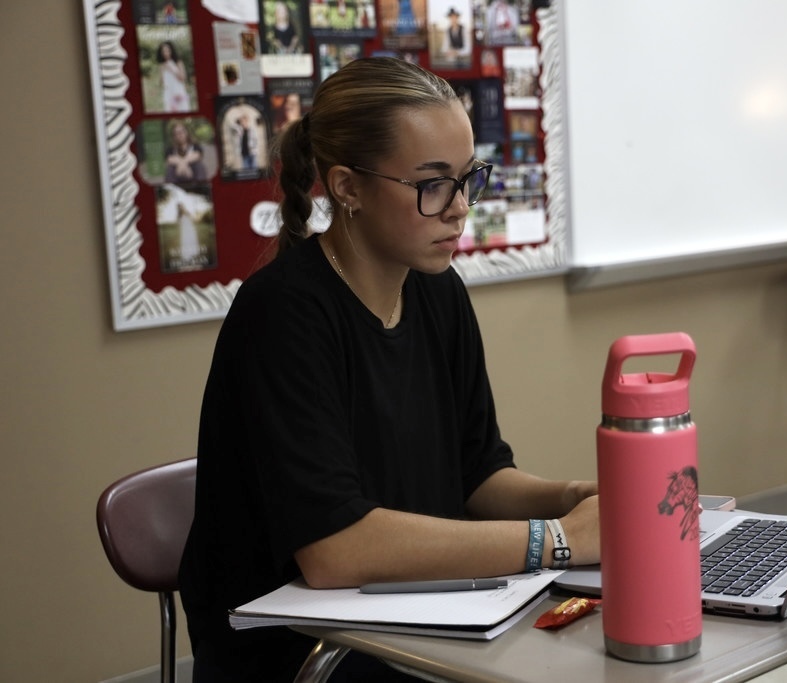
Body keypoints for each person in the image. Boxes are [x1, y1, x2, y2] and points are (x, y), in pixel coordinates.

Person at [178, 56, 601, 681]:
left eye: (467, 178)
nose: (460, 208)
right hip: (304, 649)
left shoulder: (437, 289)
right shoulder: (282, 313)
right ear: (347, 187)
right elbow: (334, 551)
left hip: (412, 614)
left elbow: (478, 475)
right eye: (433, 184)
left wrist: (579, 498)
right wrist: (558, 539)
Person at [164, 120, 206, 186]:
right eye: (176, 133)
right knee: (169, 169)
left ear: (186, 133)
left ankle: (201, 187)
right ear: (174, 137)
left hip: (193, 174)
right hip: (177, 174)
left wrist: (183, 163)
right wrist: (182, 164)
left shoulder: (195, 146)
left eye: (181, 132)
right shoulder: (170, 149)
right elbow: (169, 159)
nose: (180, 135)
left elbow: (197, 155)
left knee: (199, 165)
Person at [156, 41, 189, 112]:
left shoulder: (178, 62)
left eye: (167, 50)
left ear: (171, 50)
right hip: (168, 93)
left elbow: (183, 78)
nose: (165, 53)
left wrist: (172, 69)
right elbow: (161, 83)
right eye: (163, 51)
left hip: (178, 92)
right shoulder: (162, 65)